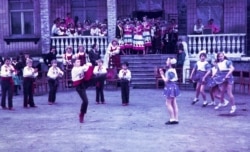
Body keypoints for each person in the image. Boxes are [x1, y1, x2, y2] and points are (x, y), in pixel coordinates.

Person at [159, 58, 180, 125]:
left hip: (170, 86)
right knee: (174, 103)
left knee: (168, 103)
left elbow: (166, 80)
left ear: (170, 63)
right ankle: (176, 119)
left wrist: (162, 74)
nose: (166, 62)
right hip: (173, 86)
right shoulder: (172, 70)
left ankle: (172, 119)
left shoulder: (170, 71)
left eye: (167, 60)